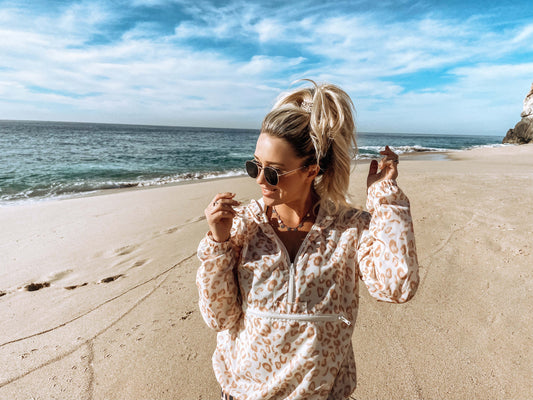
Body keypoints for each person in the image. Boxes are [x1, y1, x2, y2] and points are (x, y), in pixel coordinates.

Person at [196, 80, 419, 400]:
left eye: (273, 172)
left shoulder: (349, 230)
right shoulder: (245, 226)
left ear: (311, 169)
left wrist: (384, 196)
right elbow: (219, 318)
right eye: (254, 166)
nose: (260, 180)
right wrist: (218, 244)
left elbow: (397, 285)